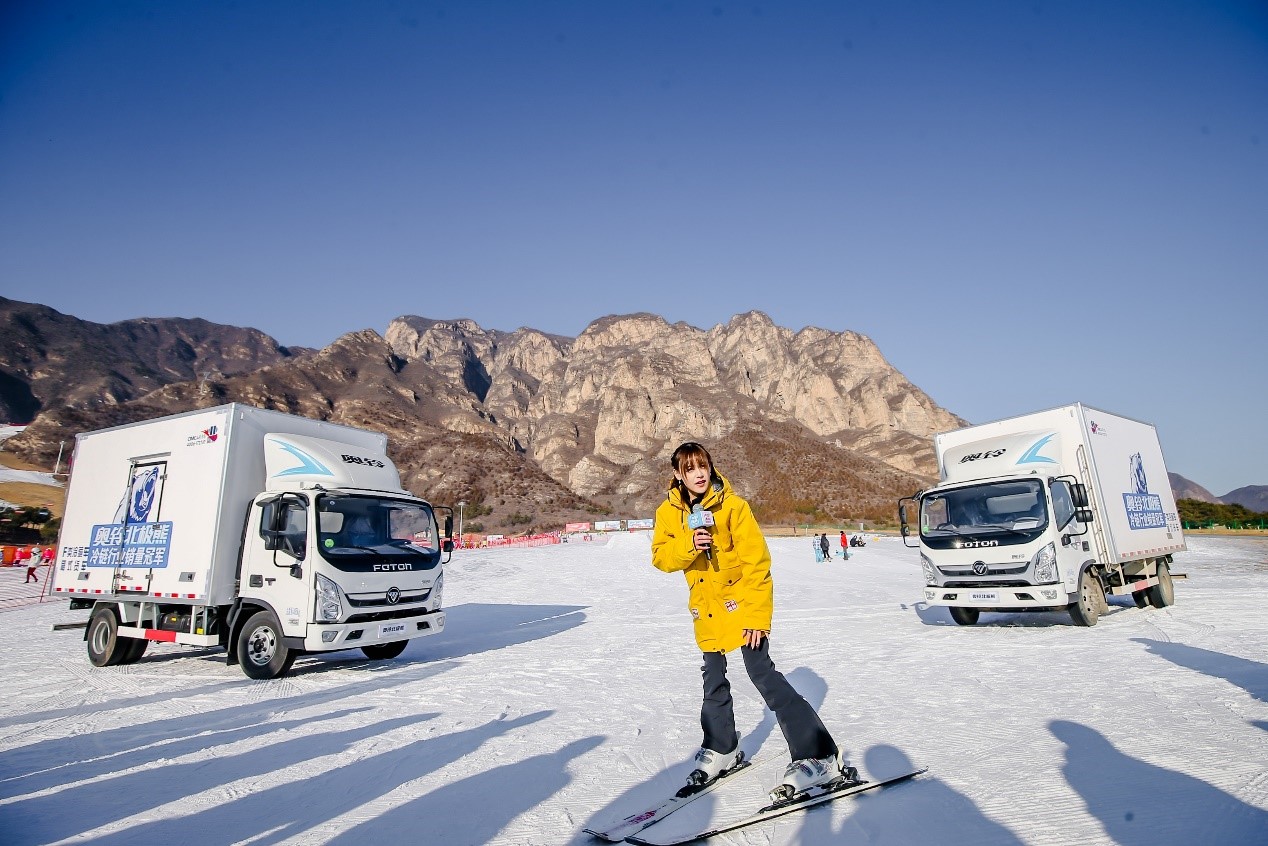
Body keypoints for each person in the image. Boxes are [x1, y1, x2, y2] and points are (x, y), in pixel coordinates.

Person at [652, 442, 845, 801]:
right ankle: (722, 748)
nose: (699, 473)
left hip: (741, 607)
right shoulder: (668, 513)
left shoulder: (734, 507)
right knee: (713, 680)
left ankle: (817, 754)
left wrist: (757, 617)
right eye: (690, 468)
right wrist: (690, 544)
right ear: (677, 474)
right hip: (706, 612)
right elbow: (661, 558)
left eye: (703, 466)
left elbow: (758, 564)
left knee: (762, 674)